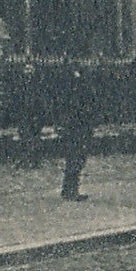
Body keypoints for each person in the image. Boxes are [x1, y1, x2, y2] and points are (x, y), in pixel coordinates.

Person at [59, 67, 94, 200]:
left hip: (74, 129)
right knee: (76, 159)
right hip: (77, 129)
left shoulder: (69, 91)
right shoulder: (78, 92)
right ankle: (71, 191)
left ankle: (69, 190)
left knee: (74, 159)